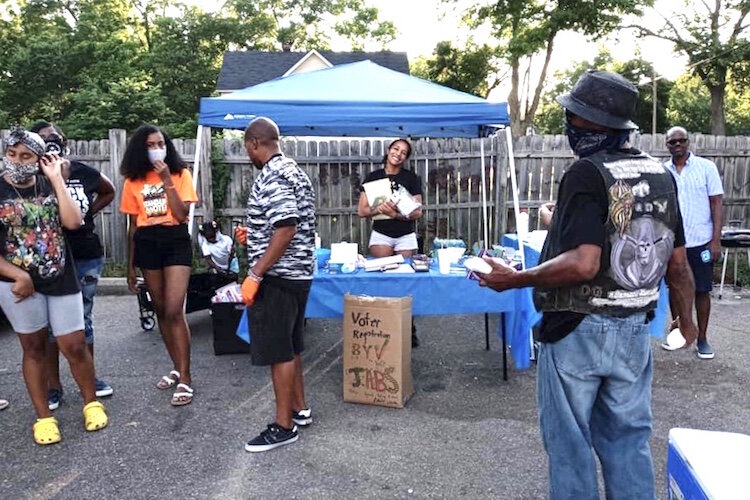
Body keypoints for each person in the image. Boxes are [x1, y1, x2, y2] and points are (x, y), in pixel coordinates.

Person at [475, 70, 699, 499]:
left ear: (590, 125)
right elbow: (676, 261)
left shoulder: (586, 172)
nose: (568, 124)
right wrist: (684, 319)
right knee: (628, 442)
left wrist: (514, 280)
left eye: (573, 117)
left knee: (570, 446)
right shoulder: (660, 175)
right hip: (634, 327)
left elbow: (583, 263)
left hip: (578, 327)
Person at [0, 128, 108, 445]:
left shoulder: (50, 181)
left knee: (74, 344)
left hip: (61, 276)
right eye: (12, 154)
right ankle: (44, 417)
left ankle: (91, 402)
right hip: (17, 284)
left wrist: (57, 179)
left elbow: (73, 222)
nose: (18, 161)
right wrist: (17, 275)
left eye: (26, 156)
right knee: (33, 349)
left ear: (39, 158)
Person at [234, 117, 316, 452]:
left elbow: (286, 228)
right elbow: (282, 224)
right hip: (299, 273)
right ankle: (300, 409)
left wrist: (254, 274)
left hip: (279, 278)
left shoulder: (272, 175)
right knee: (292, 346)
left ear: (255, 143)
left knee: (279, 351)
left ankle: (283, 426)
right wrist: (253, 235)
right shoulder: (294, 170)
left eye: (247, 148)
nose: (248, 155)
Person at [30, 121, 116, 410]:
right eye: (43, 139)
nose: (51, 141)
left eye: (55, 136)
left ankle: (89, 381)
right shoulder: (31, 176)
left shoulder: (81, 171)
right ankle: (54, 386)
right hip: (50, 258)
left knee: (83, 321)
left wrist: (86, 213)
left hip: (85, 253)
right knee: (53, 328)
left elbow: (109, 191)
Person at [119, 124, 198, 406]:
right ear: (141, 149)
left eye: (160, 143)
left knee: (176, 308)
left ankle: (186, 377)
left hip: (175, 239)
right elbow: (131, 227)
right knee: (162, 309)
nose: (157, 148)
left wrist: (166, 179)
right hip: (147, 242)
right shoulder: (133, 181)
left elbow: (182, 214)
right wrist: (130, 267)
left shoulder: (180, 173)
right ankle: (176, 366)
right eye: (151, 144)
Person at [663, 126, 724, 359]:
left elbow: (717, 205)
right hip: (673, 243)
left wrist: (715, 241)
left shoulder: (706, 168)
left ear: (688, 142)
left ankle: (703, 339)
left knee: (701, 290)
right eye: (672, 142)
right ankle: (678, 333)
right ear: (666, 144)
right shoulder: (663, 172)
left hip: (701, 241)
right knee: (674, 289)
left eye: (681, 140)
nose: (677, 145)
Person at [357, 139, 423, 346]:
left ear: (406, 158)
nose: (399, 154)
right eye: (396, 149)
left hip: (405, 235)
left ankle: (408, 328)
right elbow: (362, 211)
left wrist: (395, 214)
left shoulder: (410, 178)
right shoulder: (373, 177)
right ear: (388, 151)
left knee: (405, 282)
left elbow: (417, 212)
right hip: (381, 235)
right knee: (384, 280)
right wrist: (380, 210)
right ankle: (384, 327)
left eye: (404, 152)